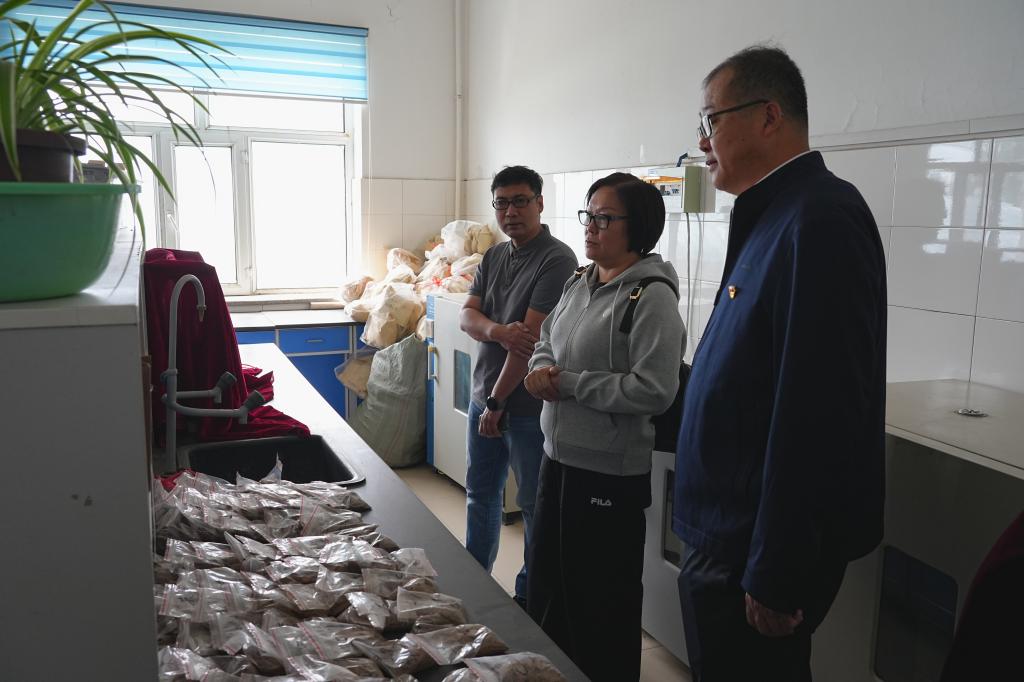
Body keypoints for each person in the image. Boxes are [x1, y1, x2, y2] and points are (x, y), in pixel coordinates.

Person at [672, 45, 887, 681]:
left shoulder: (820, 219)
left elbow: (817, 410)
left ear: (769, 116)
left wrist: (778, 569)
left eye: (712, 120)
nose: (703, 141)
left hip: (751, 549)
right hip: (727, 530)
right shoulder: (774, 215)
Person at [524, 172, 685, 682]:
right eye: (588, 215)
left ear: (637, 227)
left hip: (608, 475)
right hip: (557, 458)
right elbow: (547, 338)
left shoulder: (651, 297)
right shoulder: (580, 281)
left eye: (603, 218)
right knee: (550, 585)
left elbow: (655, 390)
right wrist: (539, 369)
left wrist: (569, 384)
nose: (590, 227)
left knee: (599, 606)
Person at [460, 165, 578, 608]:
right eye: (502, 203)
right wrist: (497, 331)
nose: (510, 212)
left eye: (520, 201)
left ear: (540, 203)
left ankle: (530, 597)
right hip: (483, 396)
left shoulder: (557, 259)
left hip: (524, 406)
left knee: (532, 504)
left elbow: (528, 343)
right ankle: (474, 582)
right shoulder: (494, 256)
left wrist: (498, 401)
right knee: (480, 495)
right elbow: (466, 317)